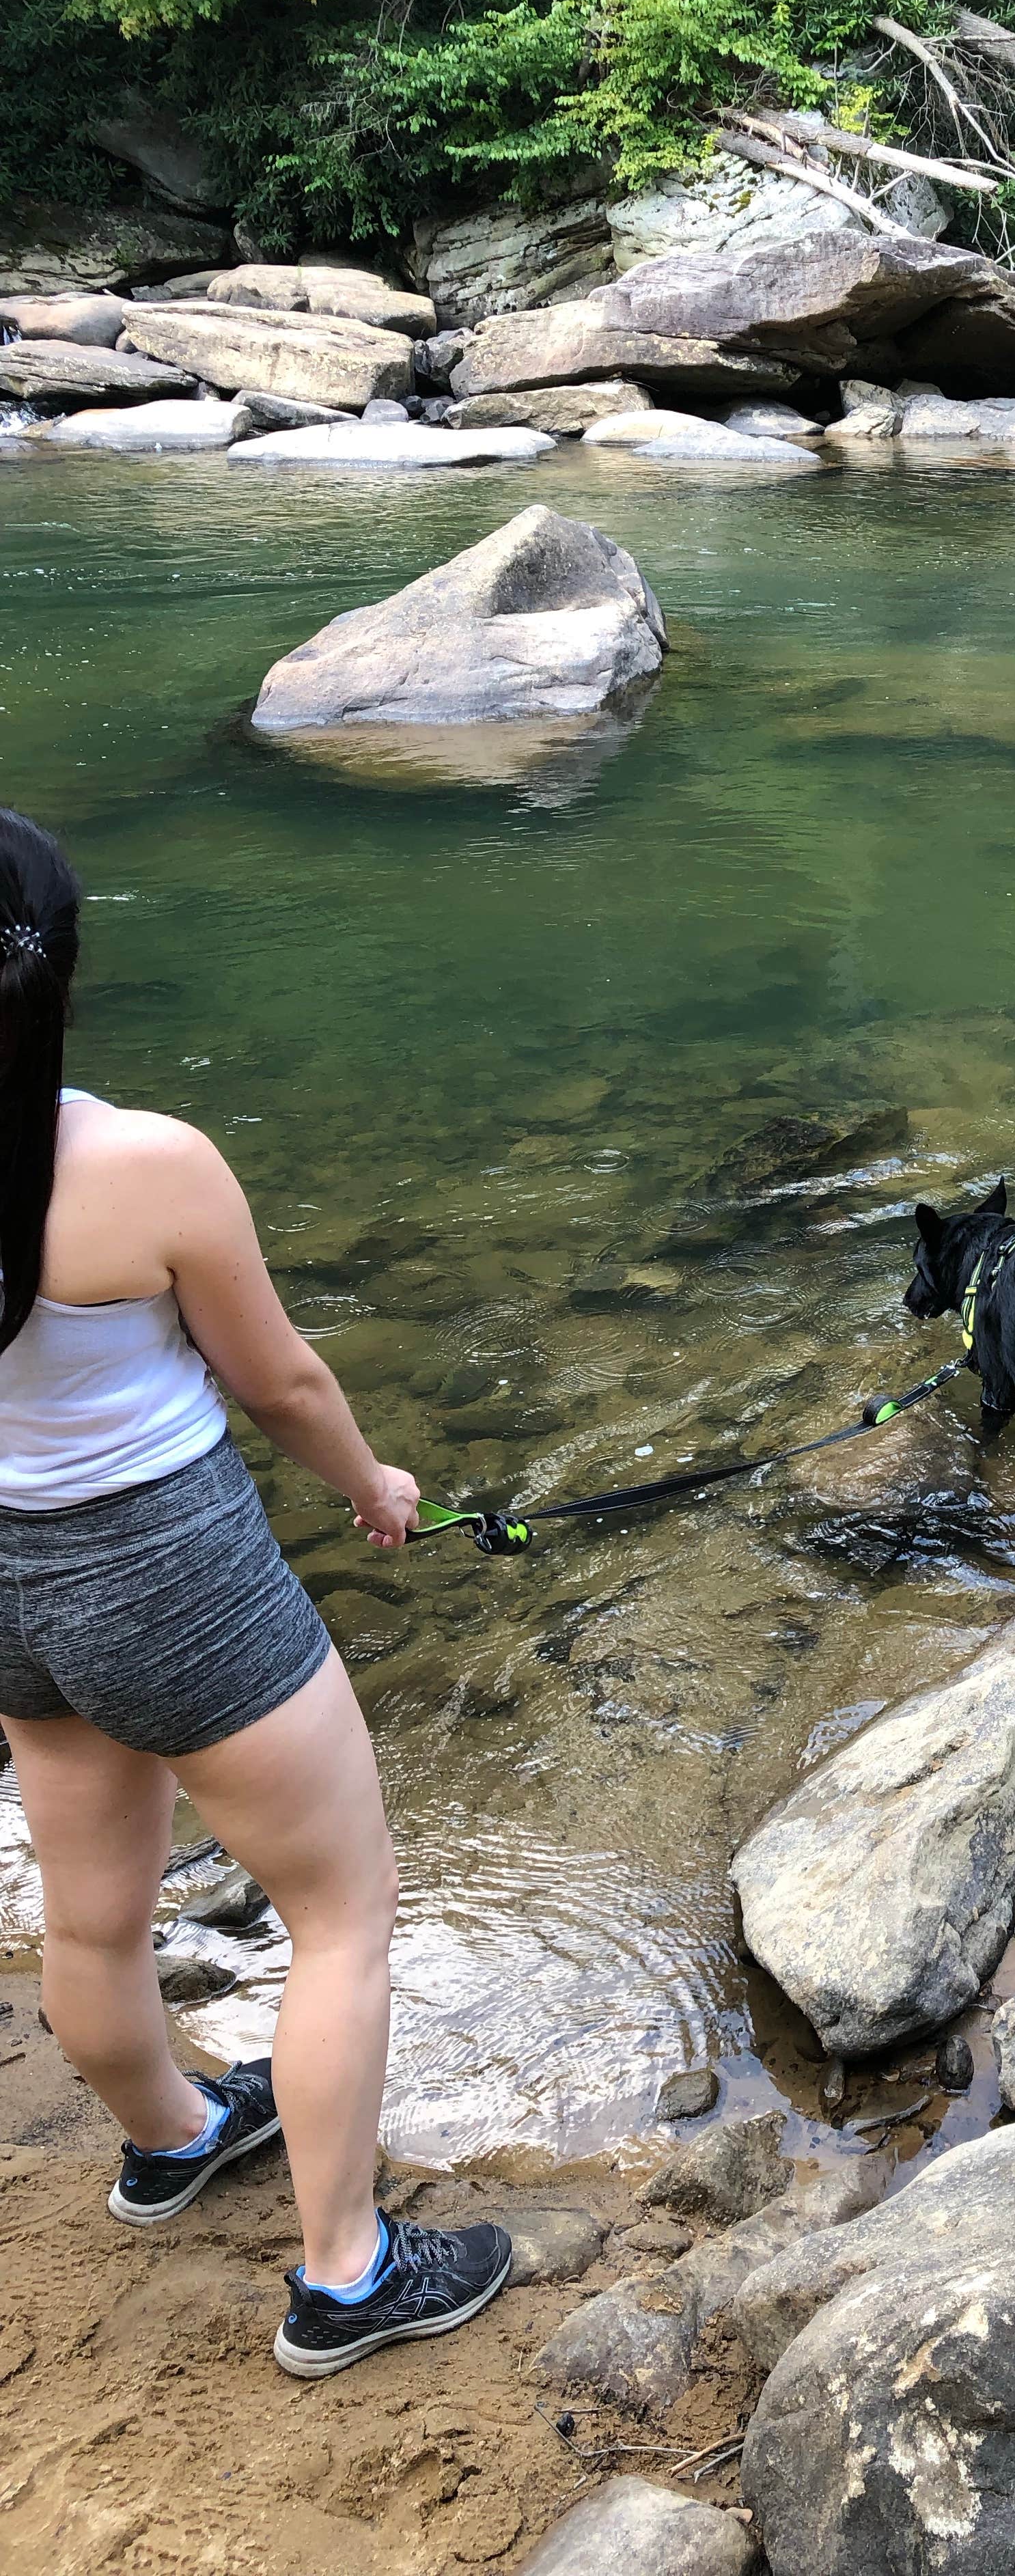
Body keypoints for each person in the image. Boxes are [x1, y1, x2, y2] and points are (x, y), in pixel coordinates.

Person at [0, 807, 508, 2377]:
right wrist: (375, 1491)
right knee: (344, 1911)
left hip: (8, 1585)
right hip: (174, 1582)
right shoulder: (142, 1166)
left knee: (92, 1918)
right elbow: (280, 1380)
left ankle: (170, 2140)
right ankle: (346, 2275)